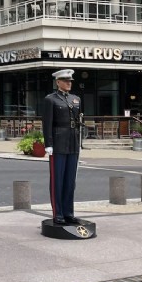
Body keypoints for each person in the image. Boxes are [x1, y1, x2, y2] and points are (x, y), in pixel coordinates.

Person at [43, 69, 82, 224]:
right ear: (58, 82)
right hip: (58, 143)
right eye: (66, 81)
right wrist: (48, 144)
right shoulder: (51, 99)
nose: (69, 83)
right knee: (57, 180)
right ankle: (58, 214)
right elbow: (47, 123)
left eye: (70, 81)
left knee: (70, 180)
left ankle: (68, 212)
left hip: (73, 142)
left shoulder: (76, 99)